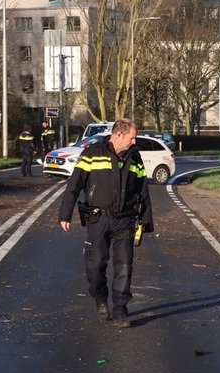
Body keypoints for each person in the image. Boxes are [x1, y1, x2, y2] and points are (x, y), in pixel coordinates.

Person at [58, 118, 153, 328]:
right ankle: (100, 298)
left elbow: (142, 189)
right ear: (118, 134)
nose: (135, 140)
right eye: (132, 137)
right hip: (98, 219)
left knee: (125, 267)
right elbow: (74, 185)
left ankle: (120, 311)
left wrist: (146, 220)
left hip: (125, 220)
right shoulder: (92, 153)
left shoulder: (134, 156)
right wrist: (65, 214)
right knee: (96, 265)